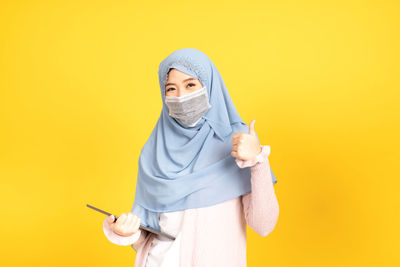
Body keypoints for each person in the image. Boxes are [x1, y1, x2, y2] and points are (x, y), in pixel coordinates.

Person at [102, 48, 279, 267]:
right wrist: (123, 232)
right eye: (171, 88)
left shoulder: (238, 143)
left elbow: (264, 225)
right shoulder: (153, 152)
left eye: (190, 85)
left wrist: (258, 161)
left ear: (209, 86)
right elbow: (147, 238)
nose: (181, 96)